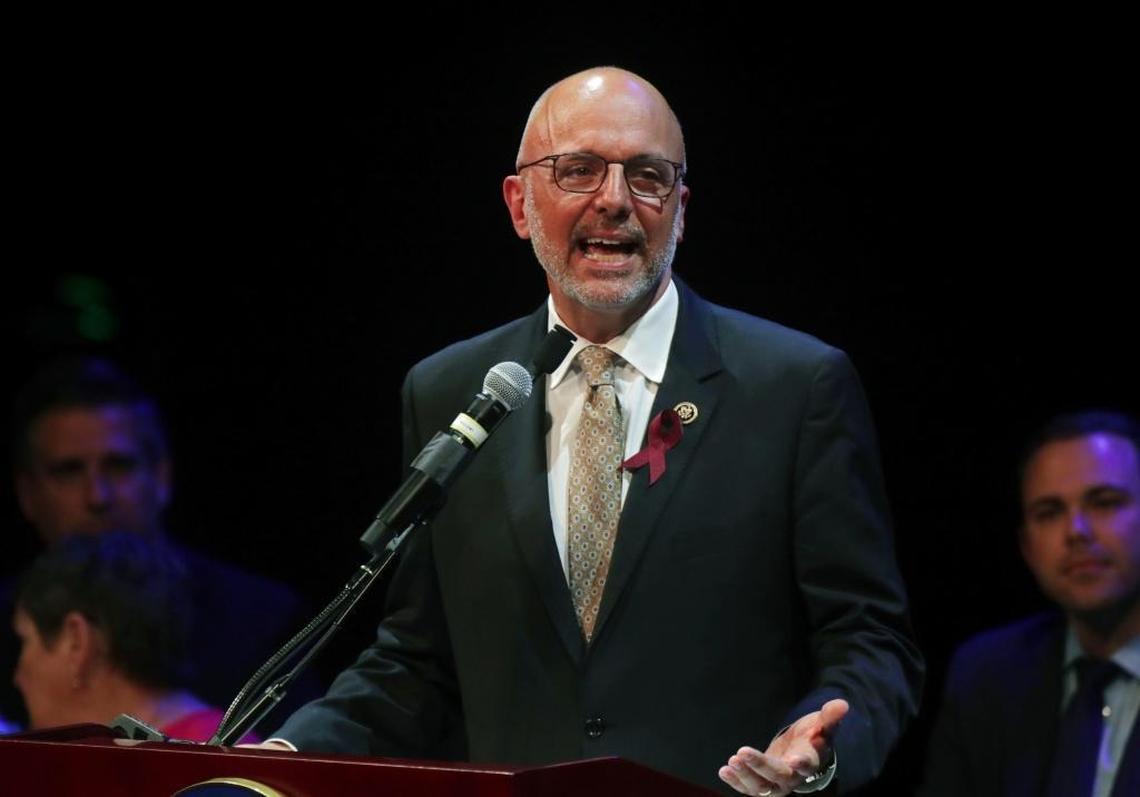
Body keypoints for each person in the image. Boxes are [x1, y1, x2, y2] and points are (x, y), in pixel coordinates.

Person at [270, 67, 923, 795]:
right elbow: (419, 662)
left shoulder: (795, 388)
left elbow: (869, 640)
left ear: (680, 210)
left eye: (647, 176)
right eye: (577, 170)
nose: (614, 200)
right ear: (519, 205)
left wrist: (822, 745)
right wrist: (278, 758)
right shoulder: (450, 390)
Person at [2, 357, 320, 732]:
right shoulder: (7, 622)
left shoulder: (261, 620)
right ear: (26, 493)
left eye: (119, 466)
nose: (97, 496)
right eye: (68, 471)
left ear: (161, 477)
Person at [920, 411, 1140, 797]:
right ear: (1027, 547)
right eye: (1049, 513)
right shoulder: (986, 676)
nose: (1076, 531)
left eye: (1104, 502)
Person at [9, 532, 256, 741]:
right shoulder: (221, 748)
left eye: (25, 642)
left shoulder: (210, 764)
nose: (17, 677)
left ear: (77, 642)